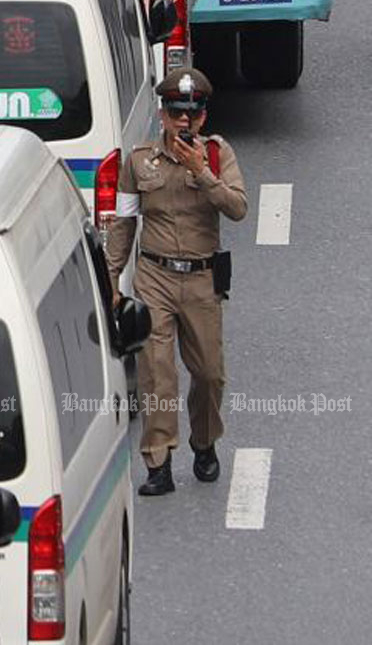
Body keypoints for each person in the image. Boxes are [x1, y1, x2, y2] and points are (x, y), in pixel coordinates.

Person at [105, 67, 248, 496]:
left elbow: (238, 208)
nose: (184, 121)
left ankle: (204, 443)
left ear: (203, 117)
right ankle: (158, 460)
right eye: (176, 112)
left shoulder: (219, 156)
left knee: (208, 374)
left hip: (202, 279)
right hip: (155, 277)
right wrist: (111, 281)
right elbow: (123, 225)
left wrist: (202, 172)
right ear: (163, 115)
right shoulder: (138, 161)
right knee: (156, 373)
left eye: (194, 113)